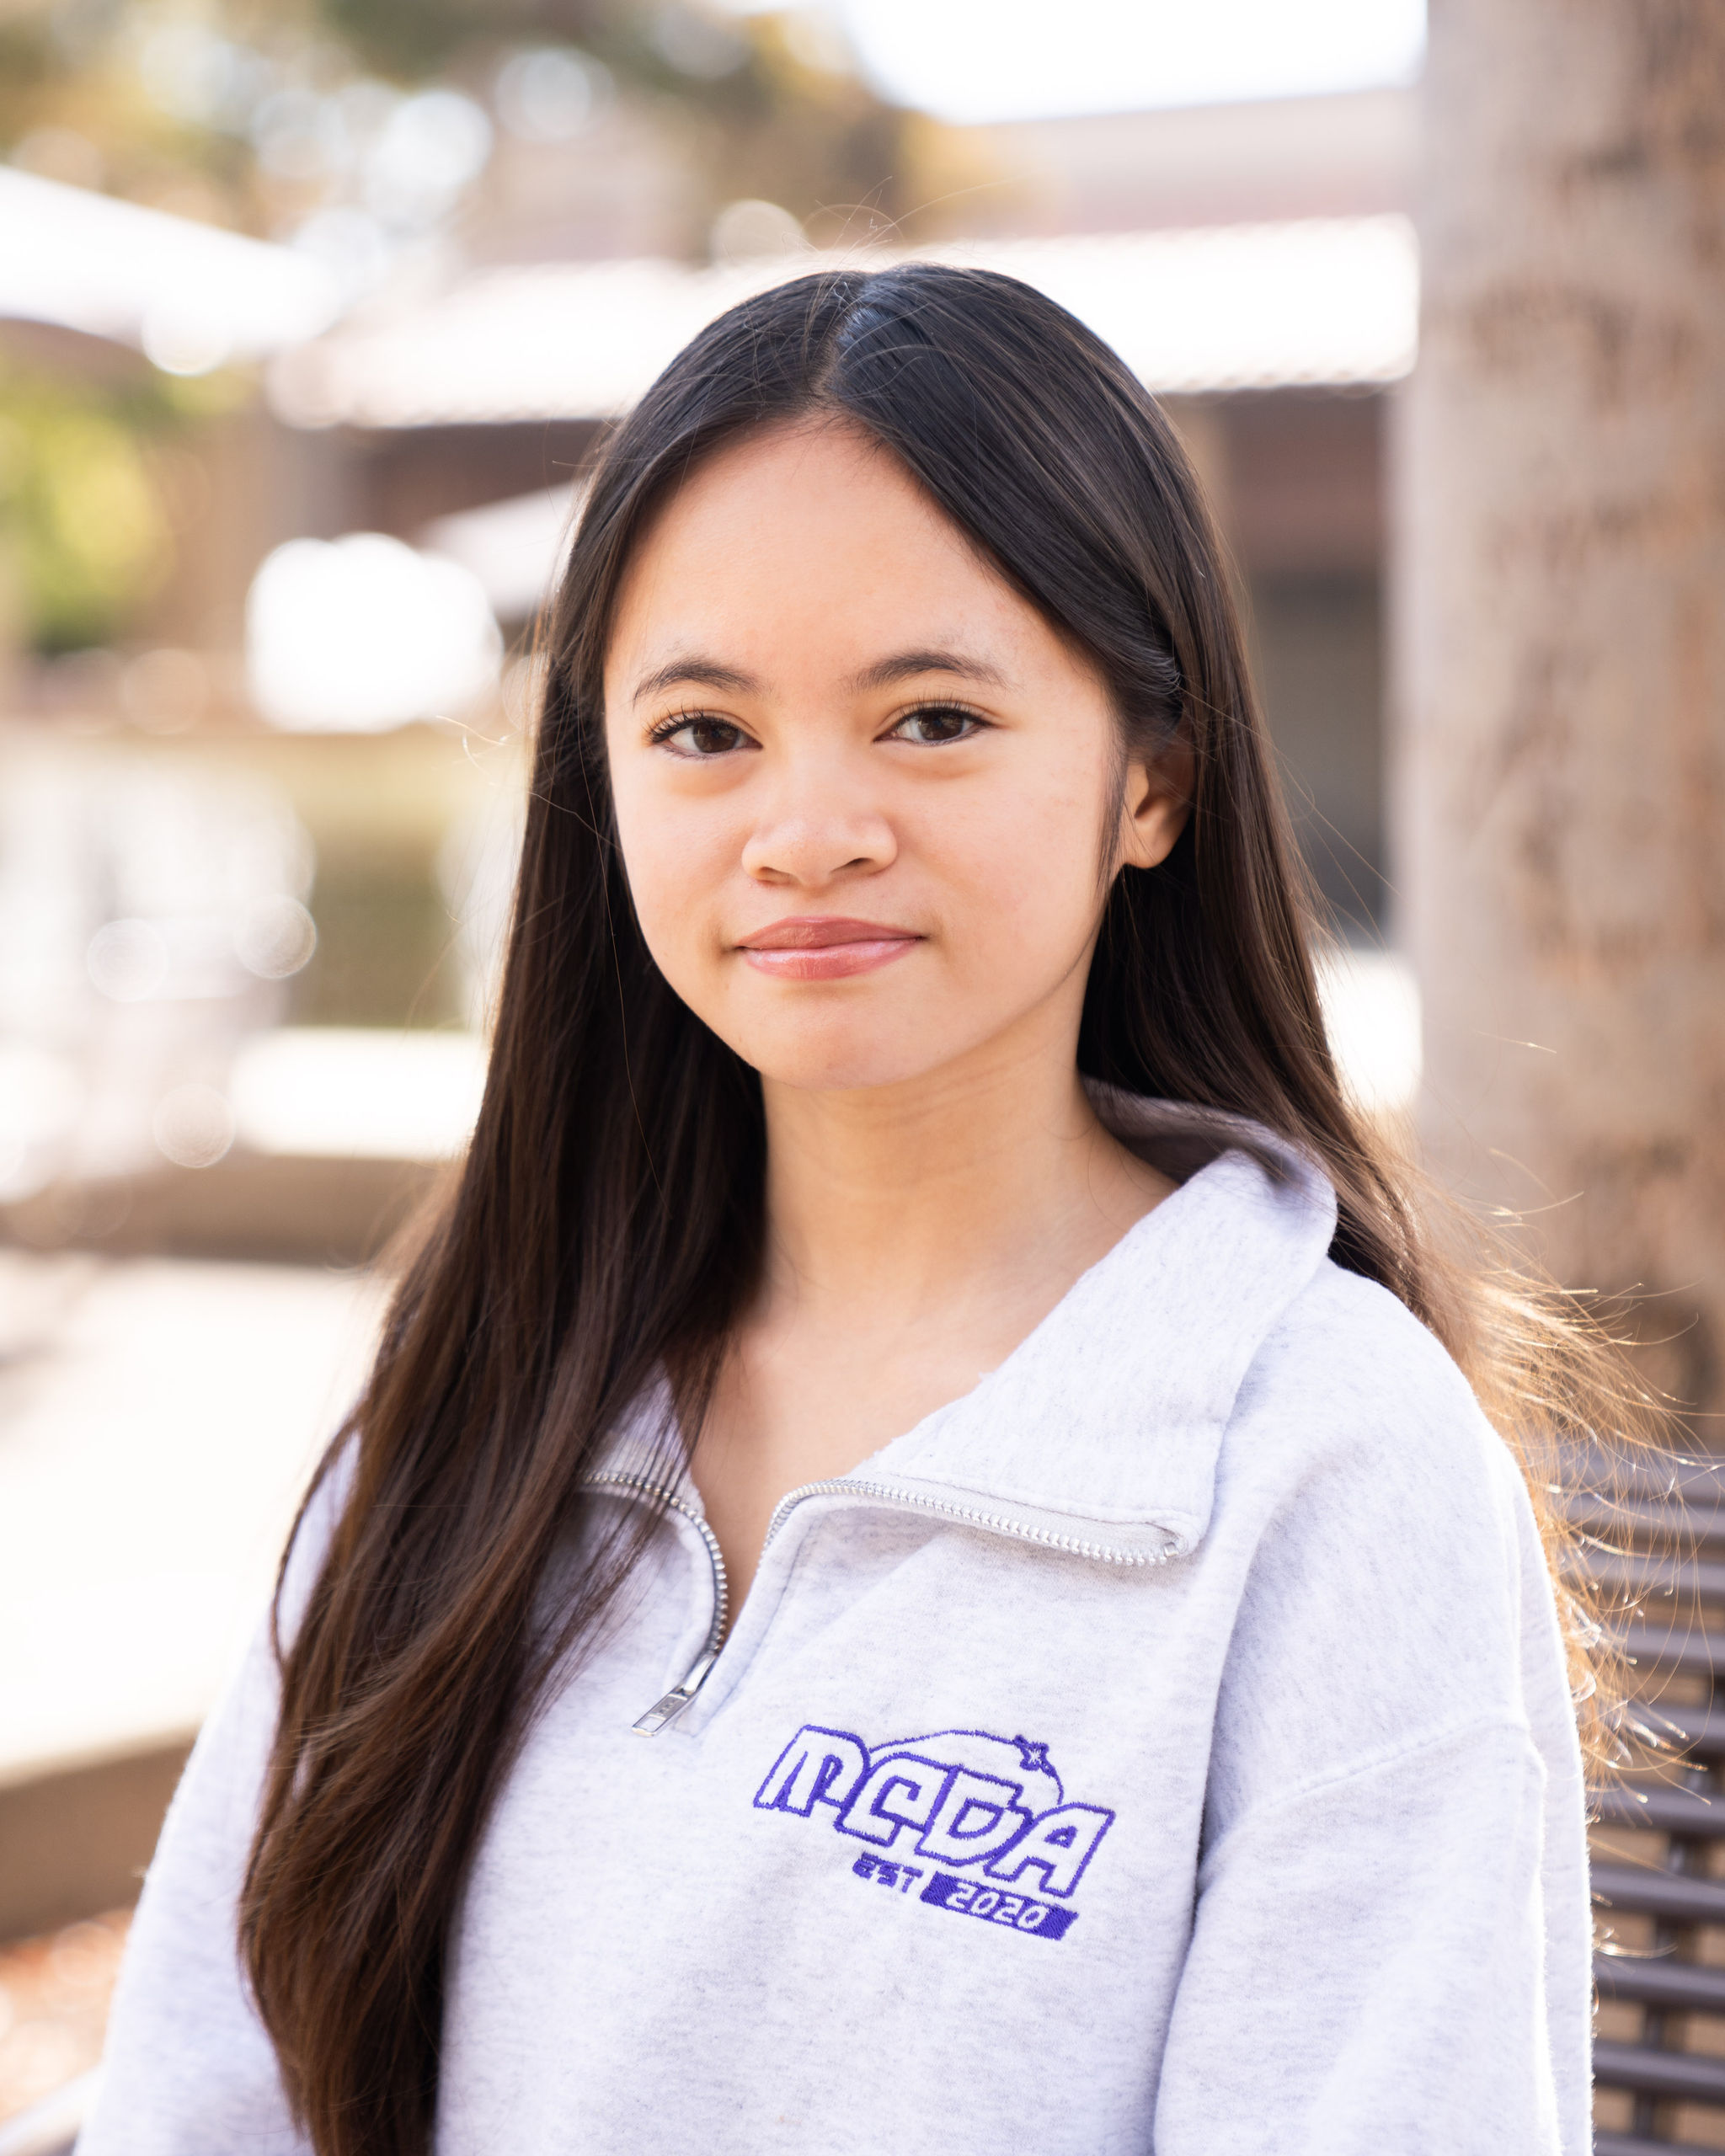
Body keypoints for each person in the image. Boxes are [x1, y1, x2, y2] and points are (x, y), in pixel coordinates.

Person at [80, 265, 1601, 2156]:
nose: (807, 828)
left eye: (934, 717)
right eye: (706, 732)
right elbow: (202, 2091)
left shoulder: (1323, 1465)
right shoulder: (490, 1374)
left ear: (1154, 774)